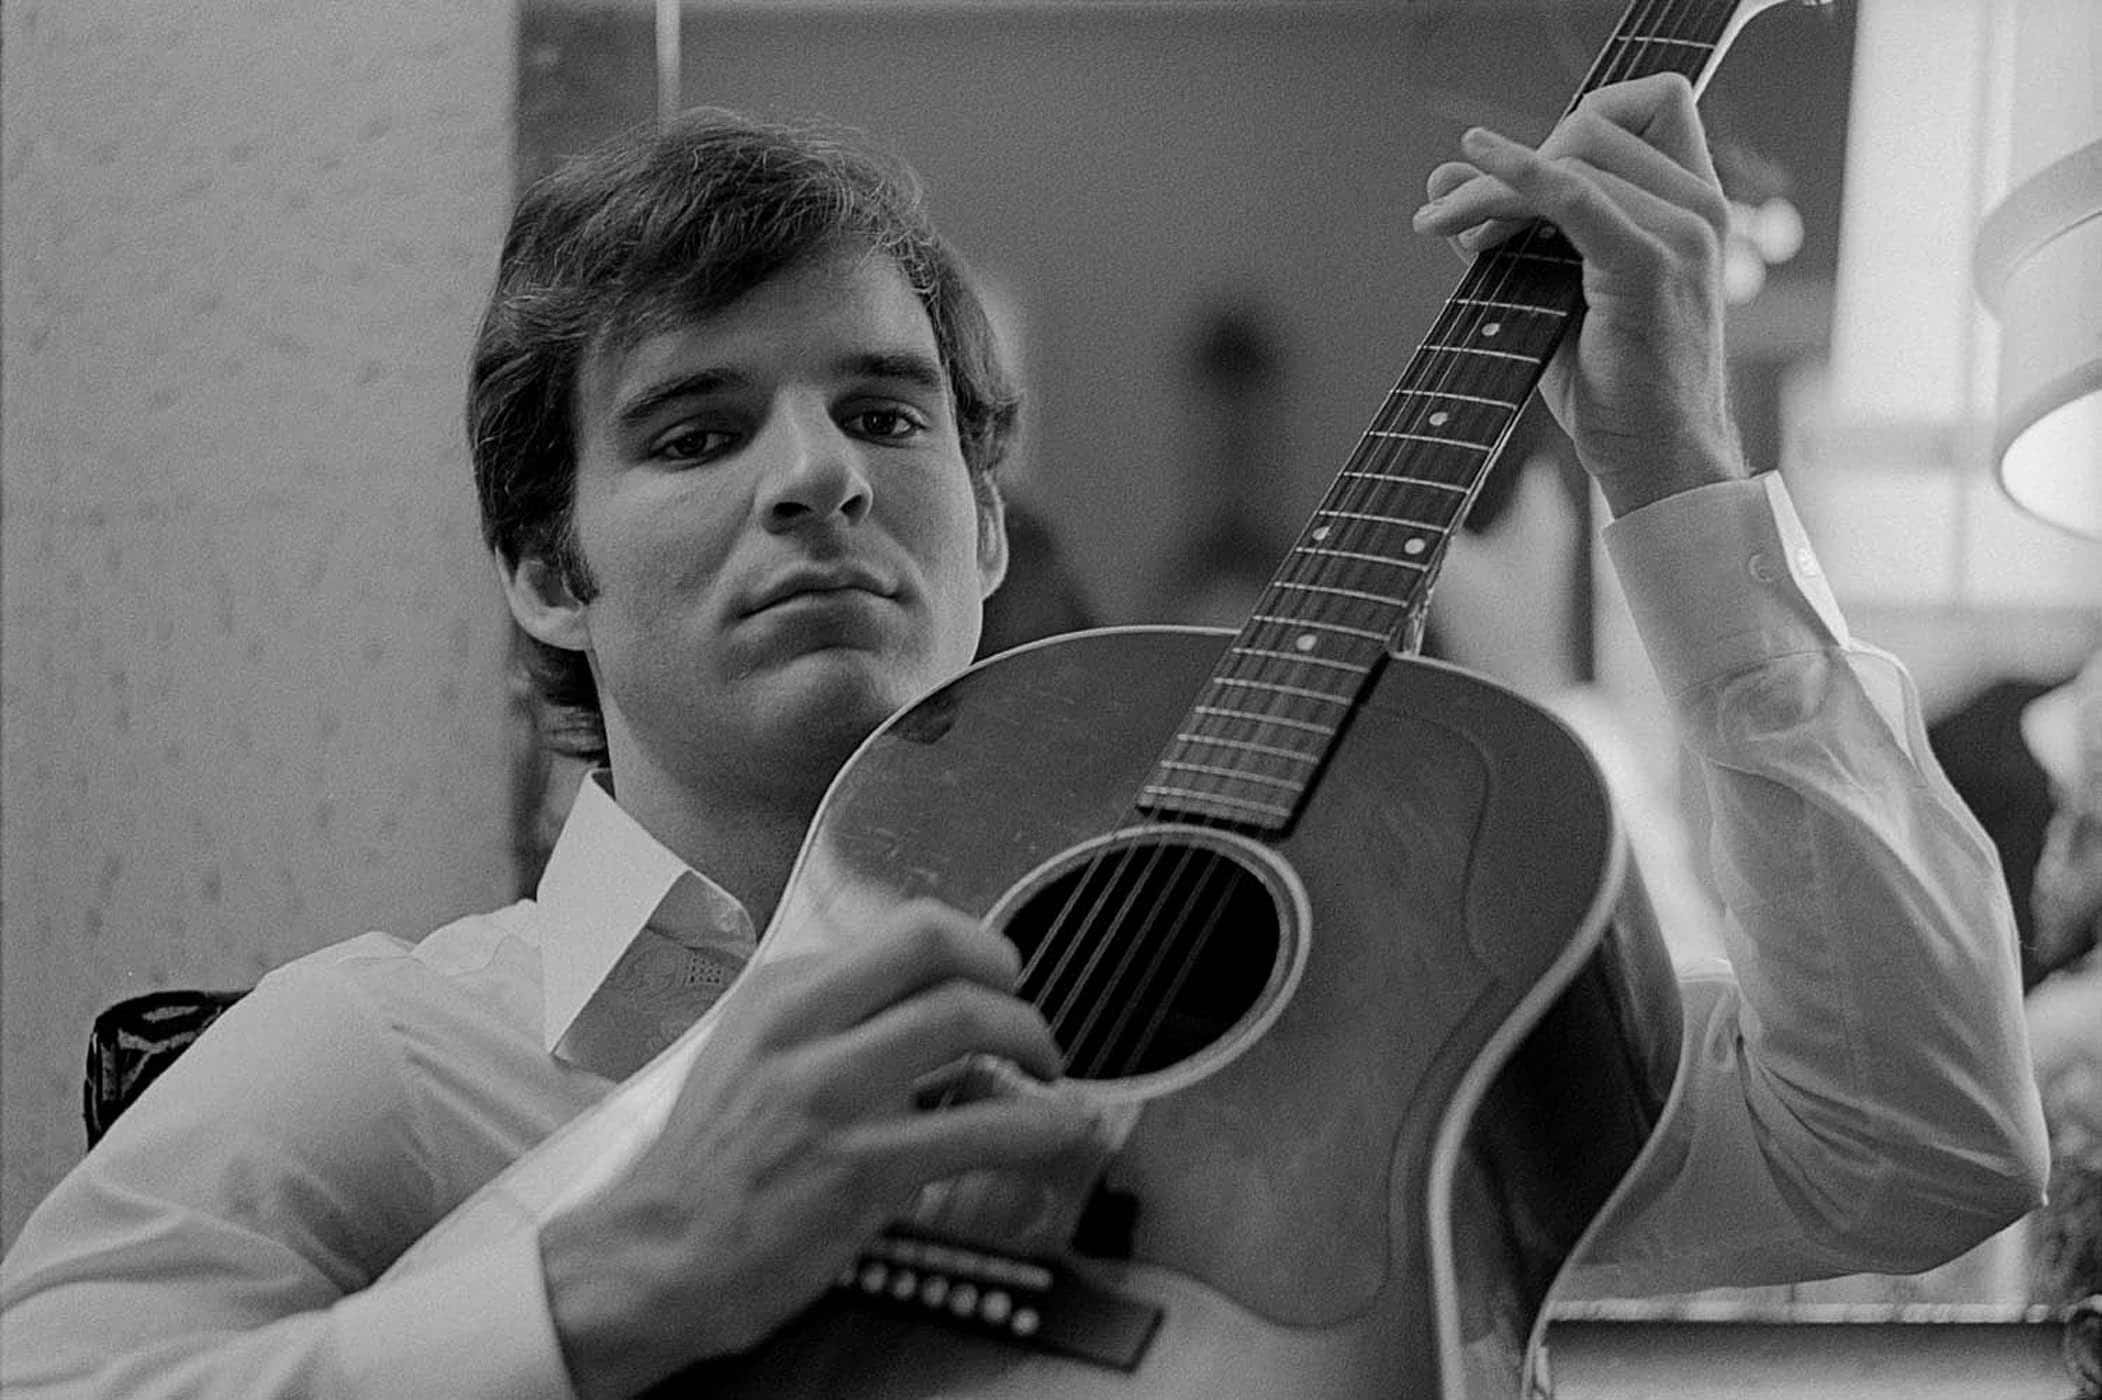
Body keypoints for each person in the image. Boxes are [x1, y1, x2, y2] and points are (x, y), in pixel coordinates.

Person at [0, 73, 2049, 1399]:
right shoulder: (387, 1052)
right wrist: (612, 1276)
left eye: (884, 412)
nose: (819, 473)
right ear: (549, 572)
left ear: (985, 527)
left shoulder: (1376, 1016)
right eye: (697, 431)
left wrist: (1677, 468)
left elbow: (1917, 1145)